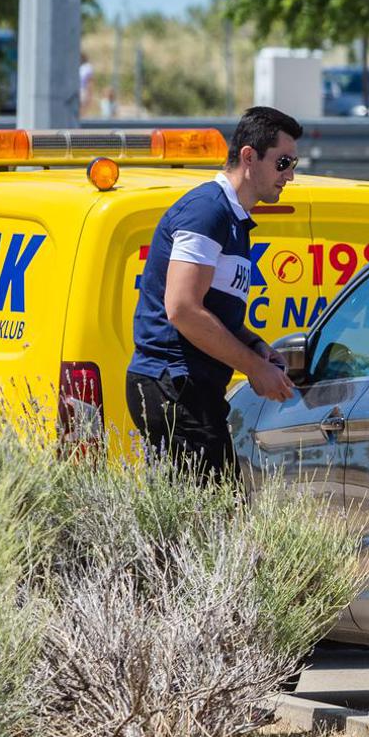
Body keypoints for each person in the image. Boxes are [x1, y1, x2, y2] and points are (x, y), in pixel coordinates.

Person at [127, 106, 300, 477]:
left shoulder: (233, 219)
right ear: (249, 157)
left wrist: (254, 344)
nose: (289, 175)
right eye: (283, 162)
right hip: (173, 384)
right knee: (212, 522)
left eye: (294, 164)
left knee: (213, 519)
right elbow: (183, 309)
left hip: (191, 388)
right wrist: (254, 368)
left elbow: (211, 311)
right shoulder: (207, 210)